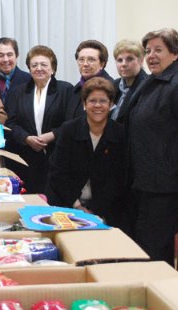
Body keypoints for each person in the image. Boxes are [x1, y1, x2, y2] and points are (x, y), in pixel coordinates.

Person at [126, 28, 178, 265]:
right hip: (145, 181)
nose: (151, 55)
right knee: (144, 243)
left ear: (175, 54)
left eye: (158, 50)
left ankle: (159, 294)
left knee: (154, 246)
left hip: (166, 184)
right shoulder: (153, 81)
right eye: (148, 51)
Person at [46, 77, 128, 230]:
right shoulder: (69, 130)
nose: (97, 105)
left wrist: (96, 213)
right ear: (84, 104)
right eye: (92, 101)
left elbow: (118, 180)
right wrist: (78, 207)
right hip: (67, 203)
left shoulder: (120, 134)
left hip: (106, 208)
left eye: (103, 101)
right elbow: (58, 173)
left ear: (111, 105)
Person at [4, 45, 73, 194]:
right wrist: (26, 138)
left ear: (53, 68)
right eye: (34, 65)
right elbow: (10, 123)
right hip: (26, 159)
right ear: (29, 69)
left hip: (57, 158)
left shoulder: (66, 90)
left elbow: (73, 123)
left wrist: (52, 135)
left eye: (44, 64)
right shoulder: (18, 92)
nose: (39, 68)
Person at [66, 40, 115, 120]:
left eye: (91, 60)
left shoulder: (111, 88)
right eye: (81, 59)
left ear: (102, 64)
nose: (85, 64)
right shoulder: (76, 89)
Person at [0, 37, 32, 104]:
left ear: (17, 56)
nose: (5, 59)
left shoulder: (29, 80)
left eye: (9, 55)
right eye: (1, 55)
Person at [110, 39, 148, 122]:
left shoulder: (148, 86)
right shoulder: (114, 85)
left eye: (129, 59)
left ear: (141, 61)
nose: (123, 64)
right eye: (119, 60)